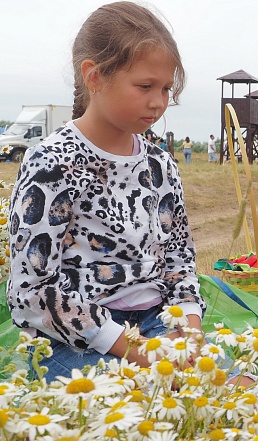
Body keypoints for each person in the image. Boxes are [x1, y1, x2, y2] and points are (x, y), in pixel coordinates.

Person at [6, 1, 205, 380]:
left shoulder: (159, 165)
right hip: (75, 336)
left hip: (158, 320)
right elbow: (32, 293)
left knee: (238, 387)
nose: (158, 102)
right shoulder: (52, 164)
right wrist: (134, 349)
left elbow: (179, 257)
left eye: (165, 89)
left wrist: (188, 327)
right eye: (145, 86)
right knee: (141, 405)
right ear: (94, 76)